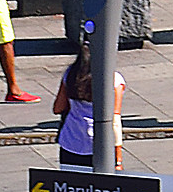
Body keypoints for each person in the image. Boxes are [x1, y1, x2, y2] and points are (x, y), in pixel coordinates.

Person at [52, 23, 124, 171]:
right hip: (99, 144)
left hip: (70, 141)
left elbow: (58, 108)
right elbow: (115, 121)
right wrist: (118, 159)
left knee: (72, 187)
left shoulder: (70, 74)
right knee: (99, 189)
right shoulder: (114, 80)